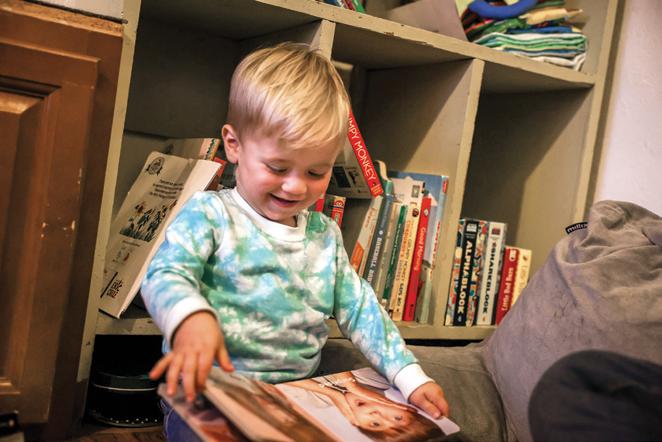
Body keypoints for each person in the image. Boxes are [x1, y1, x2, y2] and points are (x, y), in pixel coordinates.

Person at [141, 42, 449, 436]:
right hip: (208, 393)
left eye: (316, 172)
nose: (295, 187)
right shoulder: (210, 214)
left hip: (298, 398)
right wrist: (190, 317)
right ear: (234, 145)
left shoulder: (324, 236)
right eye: (277, 167)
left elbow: (362, 311)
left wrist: (410, 377)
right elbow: (165, 274)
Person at [282, 370, 446, 441]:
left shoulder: (314, 402)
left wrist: (332, 394)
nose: (377, 415)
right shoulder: (378, 381)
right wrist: (352, 385)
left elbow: (283, 377)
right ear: (404, 407)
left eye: (375, 424)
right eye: (397, 418)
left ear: (356, 423)